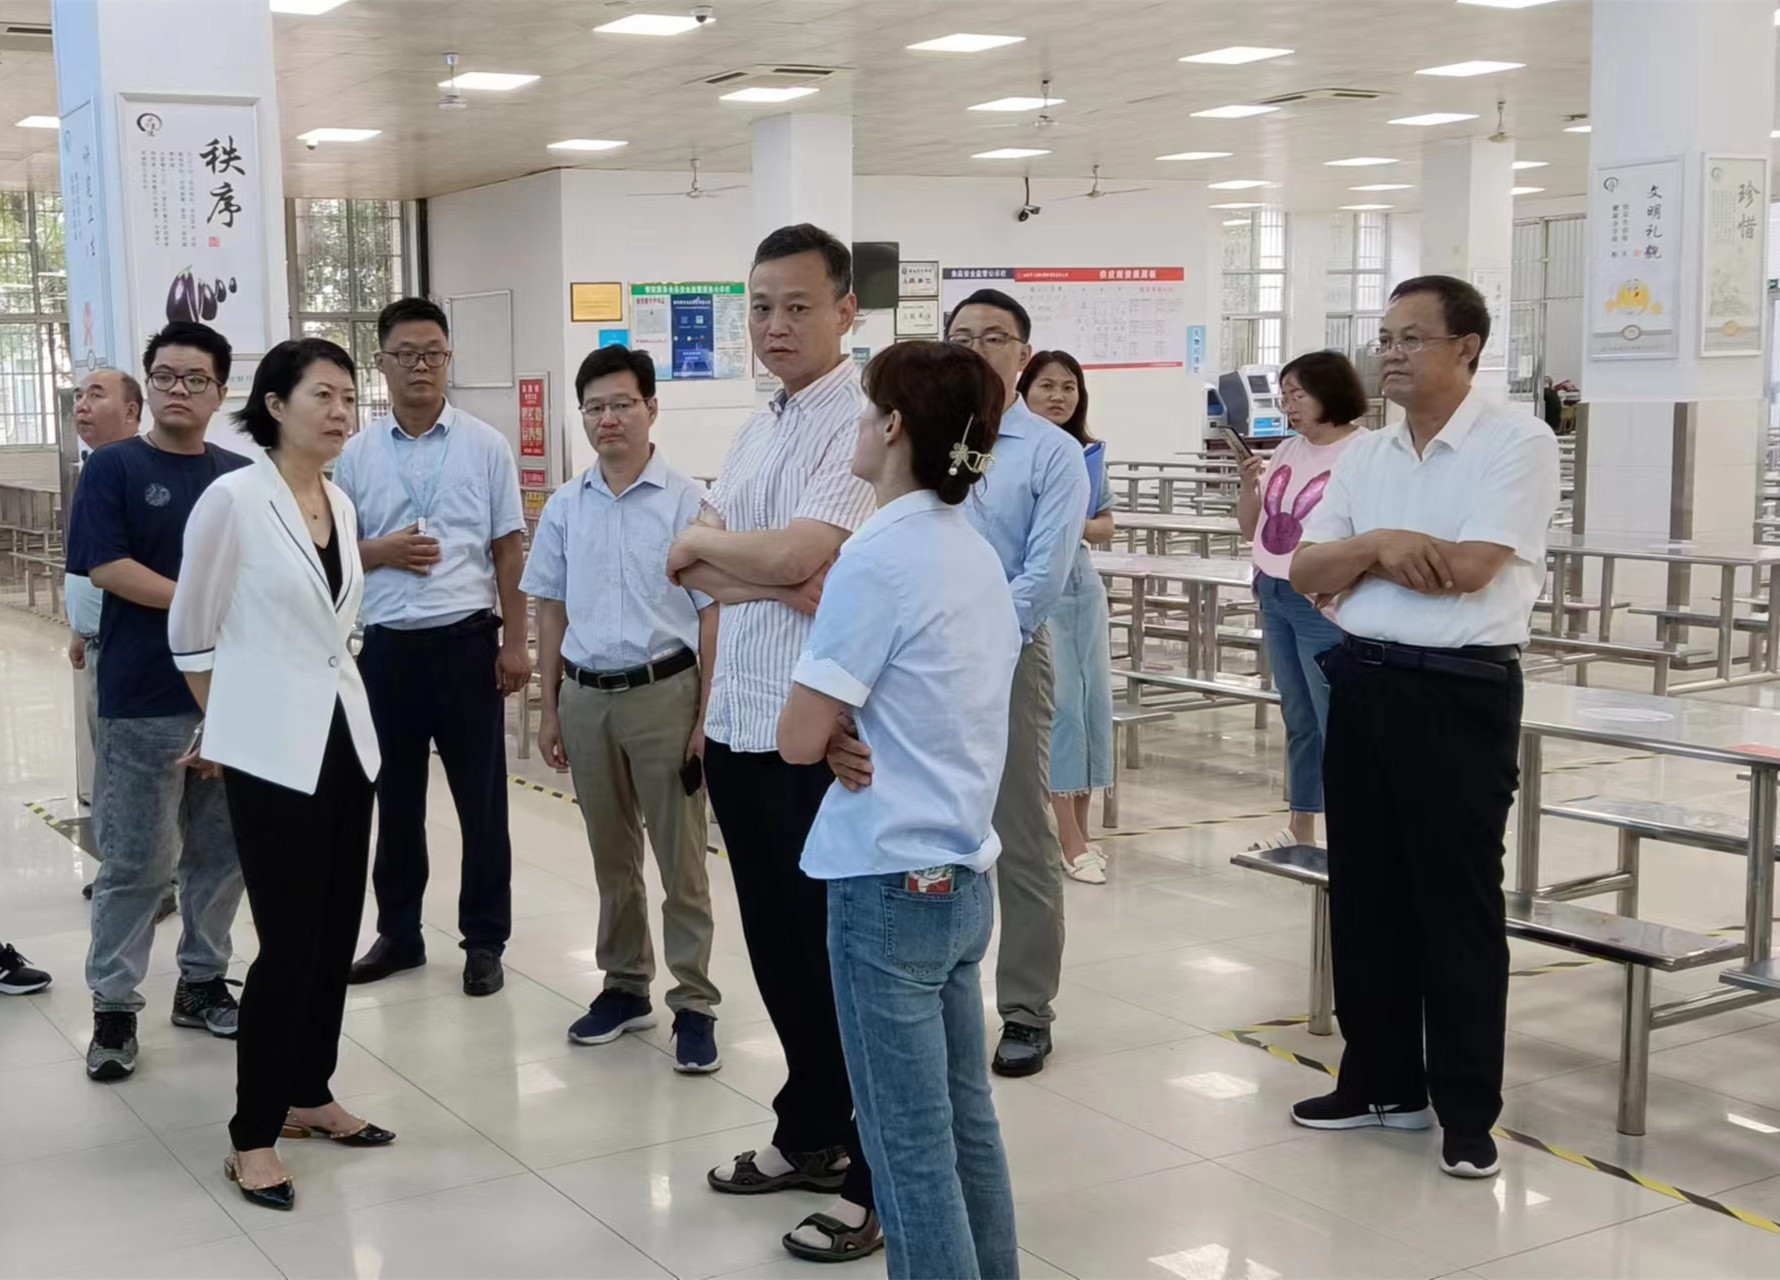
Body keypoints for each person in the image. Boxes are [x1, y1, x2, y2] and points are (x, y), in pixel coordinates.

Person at [1288, 276, 1560, 1180]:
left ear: (1467, 349)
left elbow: (1471, 569)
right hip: (1364, 683)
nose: (1391, 354)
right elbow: (1305, 568)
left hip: (1459, 692)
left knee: (1456, 903)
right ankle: (1381, 1083)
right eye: (1385, 338)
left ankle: (1468, 1109)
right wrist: (1378, 546)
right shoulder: (1367, 453)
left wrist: (1361, 560)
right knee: (1365, 894)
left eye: (1412, 338)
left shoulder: (1516, 442)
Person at [779, 341, 1021, 1280]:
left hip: (886, 885)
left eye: (865, 407)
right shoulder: (973, 550)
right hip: (960, 879)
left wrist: (834, 724)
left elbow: (797, 737)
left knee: (905, 1145)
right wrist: (851, 723)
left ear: (892, 426)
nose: (856, 424)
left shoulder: (876, 555)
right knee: (965, 1126)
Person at [667, 224, 881, 1264]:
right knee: (779, 951)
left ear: (845, 310)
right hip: (743, 724)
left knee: (840, 960)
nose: (775, 325)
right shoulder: (761, 426)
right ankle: (812, 1132)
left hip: (818, 730)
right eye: (759, 306)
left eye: (798, 306)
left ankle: (873, 1166)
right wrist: (750, 563)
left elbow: (805, 555)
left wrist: (732, 555)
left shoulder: (863, 422)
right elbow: (689, 563)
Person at [833, 289, 1089, 1078]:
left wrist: (975, 635)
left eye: (995, 337)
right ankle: (933, 983)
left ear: (1024, 353)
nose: (977, 348)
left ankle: (1027, 1008)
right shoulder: (922, 434)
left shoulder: (1049, 453)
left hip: (1004, 655)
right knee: (916, 820)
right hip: (911, 661)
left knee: (1017, 829)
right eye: (962, 335)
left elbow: (1044, 572)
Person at [169, 338, 393, 1212]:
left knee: (335, 931)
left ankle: (309, 1092)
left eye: (348, 397)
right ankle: (253, 1133)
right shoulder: (233, 499)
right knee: (290, 940)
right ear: (274, 405)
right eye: (323, 395)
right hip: (269, 752)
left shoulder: (338, 497)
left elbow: (340, 627)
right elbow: (192, 632)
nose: (341, 412)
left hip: (345, 740)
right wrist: (229, 725)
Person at [524, 344, 722, 1074]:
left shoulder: (687, 503)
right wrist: (550, 708)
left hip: (664, 692)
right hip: (586, 696)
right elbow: (549, 609)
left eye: (621, 404)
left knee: (680, 860)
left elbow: (712, 612)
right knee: (611, 855)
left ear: (650, 409)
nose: (608, 418)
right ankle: (624, 985)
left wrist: (705, 715)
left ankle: (694, 1001)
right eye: (595, 408)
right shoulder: (566, 506)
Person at [64, 322, 249, 1083]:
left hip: (233, 696)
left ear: (219, 392)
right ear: (150, 386)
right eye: (166, 376)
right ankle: (114, 1004)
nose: (180, 389)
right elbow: (107, 566)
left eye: (196, 379)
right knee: (139, 860)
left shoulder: (242, 477)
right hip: (143, 697)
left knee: (221, 854)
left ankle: (203, 980)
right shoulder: (114, 467)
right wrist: (199, 605)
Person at [334, 297, 529, 999]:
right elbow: (334, 553)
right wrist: (381, 551)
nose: (421, 366)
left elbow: (508, 549)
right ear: (381, 362)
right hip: (386, 650)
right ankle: (399, 933)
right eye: (406, 354)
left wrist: (515, 643)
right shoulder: (354, 455)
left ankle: (485, 940)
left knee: (483, 804)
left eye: (434, 354)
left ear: (449, 360)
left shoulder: (486, 445)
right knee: (395, 801)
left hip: (467, 646)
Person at [1236, 350, 1365, 851]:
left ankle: (1349, 828)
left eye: (1298, 395)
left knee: (1335, 715)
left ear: (1330, 393)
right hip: (1273, 590)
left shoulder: (1364, 451)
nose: (1288, 405)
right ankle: (1301, 823)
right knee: (1298, 714)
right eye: (1284, 395)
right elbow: (1252, 527)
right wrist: (1249, 485)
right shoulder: (1289, 450)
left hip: (1320, 601)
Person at [62, 370, 176, 919]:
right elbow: (87, 564)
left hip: (135, 652)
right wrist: (78, 628)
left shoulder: (138, 473)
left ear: (133, 411)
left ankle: (154, 881)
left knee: (140, 778)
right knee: (108, 769)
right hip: (98, 643)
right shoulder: (96, 469)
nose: (81, 405)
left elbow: (121, 568)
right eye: (79, 396)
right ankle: (125, 871)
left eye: (96, 395)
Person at [1017, 350, 1115, 884]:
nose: (1058, 396)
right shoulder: (1014, 451)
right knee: (1061, 709)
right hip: (1043, 593)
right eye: (1047, 386)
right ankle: (1067, 838)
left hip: (1084, 589)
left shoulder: (1087, 452)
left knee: (1093, 705)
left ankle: (1083, 828)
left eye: (1069, 387)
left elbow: (1105, 525)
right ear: (1024, 391)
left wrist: (1069, 518)